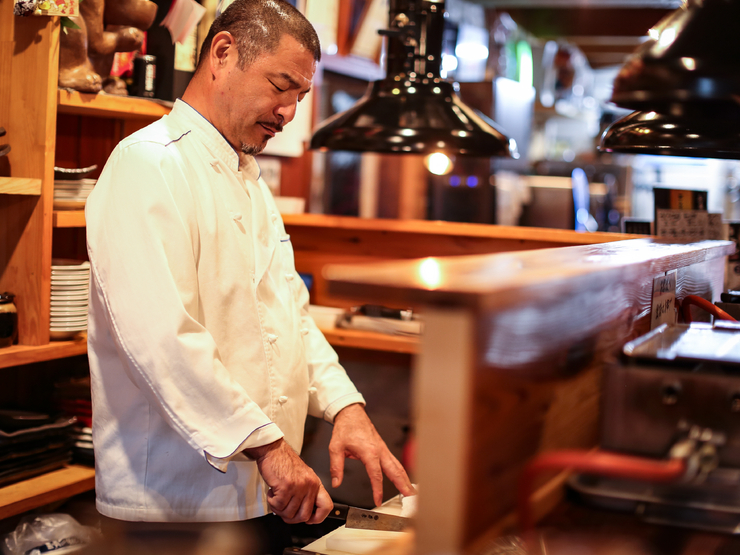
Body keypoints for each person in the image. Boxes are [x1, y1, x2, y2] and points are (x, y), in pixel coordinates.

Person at [84, 0, 415, 551]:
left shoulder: (249, 179)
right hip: (171, 505)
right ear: (223, 53)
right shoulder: (147, 164)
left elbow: (290, 313)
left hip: (258, 495)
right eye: (280, 86)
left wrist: (345, 407)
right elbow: (162, 338)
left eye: (300, 96)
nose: (288, 111)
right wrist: (268, 448)